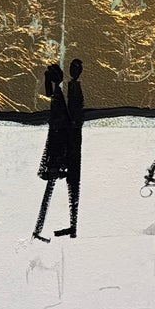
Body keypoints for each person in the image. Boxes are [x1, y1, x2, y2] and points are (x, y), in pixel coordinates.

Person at [31, 63, 72, 242]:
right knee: (51, 187)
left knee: (51, 187)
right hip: (57, 148)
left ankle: (38, 228)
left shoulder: (56, 95)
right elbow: (61, 124)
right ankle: (38, 229)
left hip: (55, 148)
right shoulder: (58, 96)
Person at [58, 58, 86, 238]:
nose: (77, 71)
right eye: (76, 68)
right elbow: (74, 113)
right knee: (74, 181)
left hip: (74, 138)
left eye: (78, 68)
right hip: (73, 138)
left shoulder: (74, 87)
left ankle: (73, 224)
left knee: (74, 182)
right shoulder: (73, 88)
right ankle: (72, 225)